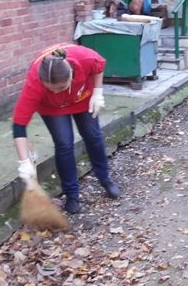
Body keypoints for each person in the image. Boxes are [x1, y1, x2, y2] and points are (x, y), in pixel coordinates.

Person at [12, 44, 121, 214]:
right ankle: (72, 194)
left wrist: (97, 92)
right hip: (52, 108)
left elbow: (98, 65)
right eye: (50, 88)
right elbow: (19, 123)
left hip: (82, 98)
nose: (56, 91)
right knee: (64, 143)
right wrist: (24, 162)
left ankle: (104, 178)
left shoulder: (84, 58)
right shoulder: (35, 82)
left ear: (70, 74)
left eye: (60, 87)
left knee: (93, 135)